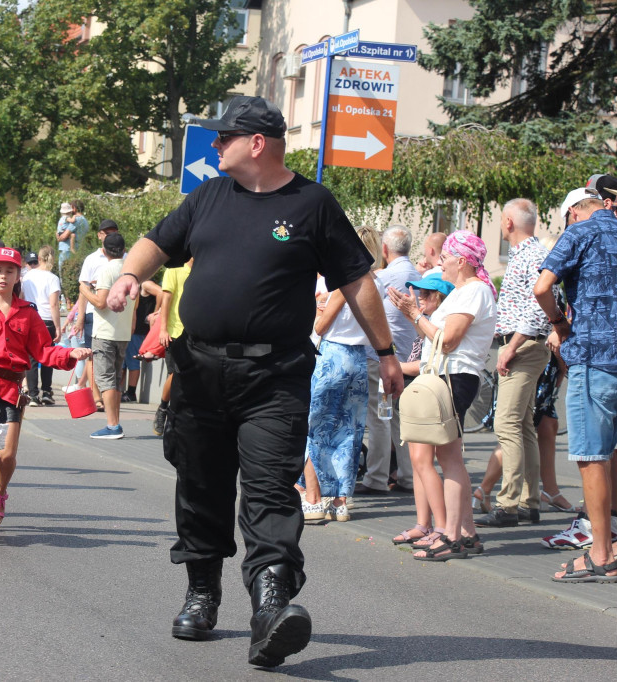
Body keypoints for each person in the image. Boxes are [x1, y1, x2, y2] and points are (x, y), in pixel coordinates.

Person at [105, 96, 402, 667]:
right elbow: (155, 242)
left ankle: (271, 608)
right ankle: (202, 592)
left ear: (256, 143)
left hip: (275, 376)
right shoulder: (209, 196)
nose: (215, 147)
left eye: (223, 138)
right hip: (199, 372)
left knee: (269, 490)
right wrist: (125, 276)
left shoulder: (312, 204)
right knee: (201, 487)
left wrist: (385, 352)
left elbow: (357, 279)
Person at [535, 184, 617, 583]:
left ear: (575, 212)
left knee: (592, 456)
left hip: (595, 356)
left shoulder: (580, 231)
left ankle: (600, 553)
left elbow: (542, 287)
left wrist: (559, 323)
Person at [0, 247, 91, 533]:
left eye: (10, 271)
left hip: (11, 389)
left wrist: (70, 355)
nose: (3, 276)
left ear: (19, 275)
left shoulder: (28, 313)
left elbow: (44, 351)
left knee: (7, 455)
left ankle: (0, 492)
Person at [388, 229, 498, 561]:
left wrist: (415, 315)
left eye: (446, 257)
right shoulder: (466, 291)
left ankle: (452, 535)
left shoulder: (475, 291)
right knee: (448, 458)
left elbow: (447, 340)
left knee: (449, 459)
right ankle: (465, 534)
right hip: (448, 375)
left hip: (456, 377)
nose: (441, 263)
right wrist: (416, 315)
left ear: (462, 261)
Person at [474, 199, 552, 528]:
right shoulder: (530, 253)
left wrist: (511, 347)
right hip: (526, 345)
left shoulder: (530, 254)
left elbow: (538, 306)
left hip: (523, 346)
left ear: (508, 222)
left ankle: (508, 505)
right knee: (521, 426)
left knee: (507, 424)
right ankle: (527, 501)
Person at [307, 226, 385, 522]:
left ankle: (315, 496)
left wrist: (316, 310)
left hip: (333, 355)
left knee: (317, 426)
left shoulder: (342, 281)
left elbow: (321, 326)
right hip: (358, 358)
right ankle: (340, 499)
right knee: (349, 431)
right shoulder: (372, 284)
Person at [387, 274, 453, 546]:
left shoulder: (439, 322)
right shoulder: (426, 323)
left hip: (429, 391)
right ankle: (422, 524)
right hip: (418, 392)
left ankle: (441, 526)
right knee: (417, 462)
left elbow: (427, 362)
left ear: (438, 298)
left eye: (425, 295)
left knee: (425, 462)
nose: (419, 299)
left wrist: (394, 366)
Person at [357, 225, 418, 496]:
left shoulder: (382, 278)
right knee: (399, 419)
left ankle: (376, 477)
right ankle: (408, 475)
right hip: (407, 358)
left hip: (382, 358)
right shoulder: (417, 275)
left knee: (380, 417)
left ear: (385, 249)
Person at [80, 232, 135, 439]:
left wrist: (85, 290)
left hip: (105, 332)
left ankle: (112, 426)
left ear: (103, 250)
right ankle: (116, 422)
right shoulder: (131, 270)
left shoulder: (106, 269)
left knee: (105, 379)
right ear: (124, 248)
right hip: (122, 331)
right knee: (116, 378)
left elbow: (101, 303)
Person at [74, 220, 124, 407]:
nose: (109, 236)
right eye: (106, 233)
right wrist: (79, 318)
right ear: (99, 235)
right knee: (93, 356)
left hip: (118, 315)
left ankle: (109, 397)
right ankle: (97, 398)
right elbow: (83, 288)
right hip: (92, 314)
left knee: (114, 362)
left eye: (113, 233)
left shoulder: (125, 259)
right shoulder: (92, 259)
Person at [153, 259, 192, 435]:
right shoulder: (174, 270)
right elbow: (166, 299)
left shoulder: (203, 268)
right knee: (175, 373)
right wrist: (163, 329)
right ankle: (162, 409)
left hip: (198, 332)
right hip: (175, 332)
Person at [22, 247, 62, 407]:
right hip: (46, 320)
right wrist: (58, 326)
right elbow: (53, 304)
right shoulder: (52, 278)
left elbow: (22, 297)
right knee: (47, 357)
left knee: (31, 359)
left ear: (38, 258)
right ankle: (46, 392)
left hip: (31, 318)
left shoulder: (27, 276)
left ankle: (32, 395)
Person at [122, 278, 161, 403]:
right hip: (132, 329)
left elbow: (161, 292)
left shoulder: (145, 283)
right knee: (124, 362)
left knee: (133, 361)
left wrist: (155, 312)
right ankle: (121, 391)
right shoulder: (138, 283)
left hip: (138, 330)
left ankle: (131, 393)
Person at [56, 202, 77, 271]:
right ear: (69, 212)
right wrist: (74, 216)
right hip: (62, 233)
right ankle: (72, 248)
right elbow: (72, 221)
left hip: (59, 233)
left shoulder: (61, 218)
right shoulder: (66, 217)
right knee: (73, 235)